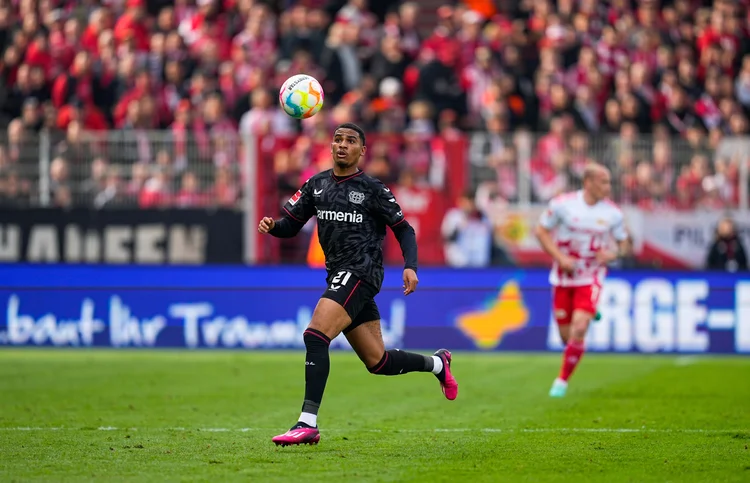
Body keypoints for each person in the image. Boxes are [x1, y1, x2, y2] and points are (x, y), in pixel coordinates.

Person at [258, 123, 458, 446]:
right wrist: (273, 226)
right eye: (337, 139)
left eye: (350, 141)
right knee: (377, 361)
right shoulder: (317, 185)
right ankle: (438, 363)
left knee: (315, 334)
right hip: (340, 274)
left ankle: (307, 422)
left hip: (362, 273)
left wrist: (411, 266)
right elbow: (291, 227)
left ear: (361, 151)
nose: (342, 145)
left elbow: (404, 229)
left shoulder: (372, 189)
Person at [534, 164, 630, 398]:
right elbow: (540, 231)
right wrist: (560, 257)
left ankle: (561, 381)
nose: (608, 186)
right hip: (564, 277)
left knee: (579, 328)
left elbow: (625, 244)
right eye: (604, 181)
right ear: (588, 183)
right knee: (566, 338)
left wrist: (613, 254)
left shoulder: (613, 213)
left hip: (591, 275)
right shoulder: (562, 204)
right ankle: (587, 312)